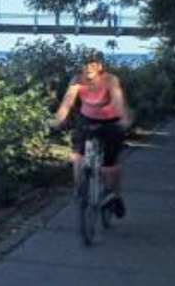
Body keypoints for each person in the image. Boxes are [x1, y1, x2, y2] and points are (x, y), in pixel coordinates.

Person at [54, 50, 133, 219]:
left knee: (109, 166)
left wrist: (124, 120)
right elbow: (67, 103)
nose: (88, 69)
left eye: (92, 65)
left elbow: (118, 102)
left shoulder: (110, 80)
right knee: (77, 157)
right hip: (87, 121)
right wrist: (58, 120)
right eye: (85, 66)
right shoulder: (77, 81)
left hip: (110, 122)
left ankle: (115, 196)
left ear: (100, 67)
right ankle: (80, 190)